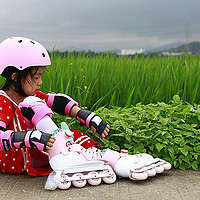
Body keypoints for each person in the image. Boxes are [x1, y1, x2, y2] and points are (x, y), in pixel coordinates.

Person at [0, 37, 171, 190]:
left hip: (40, 152)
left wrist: (87, 116)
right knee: (32, 105)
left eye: (41, 77)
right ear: (15, 77)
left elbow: (58, 102)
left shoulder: (33, 95)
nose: (40, 82)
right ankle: (76, 158)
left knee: (73, 134)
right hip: (16, 160)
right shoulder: (4, 101)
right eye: (36, 77)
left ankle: (109, 159)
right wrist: (29, 137)